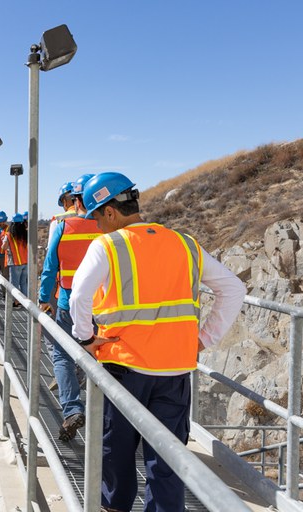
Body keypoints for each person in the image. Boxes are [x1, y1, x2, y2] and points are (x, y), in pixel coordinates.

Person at [69, 172, 246, 512]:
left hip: (124, 368)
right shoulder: (185, 243)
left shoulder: (107, 245)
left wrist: (85, 338)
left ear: (110, 212)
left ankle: (114, 507)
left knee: (115, 452)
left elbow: (79, 297)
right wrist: (203, 339)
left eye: (95, 217)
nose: (96, 225)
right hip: (175, 371)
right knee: (168, 459)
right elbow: (234, 289)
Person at [38, 175, 102, 441]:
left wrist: (44, 298)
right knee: (100, 357)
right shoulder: (108, 226)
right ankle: (105, 416)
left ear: (75, 200)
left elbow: (50, 265)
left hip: (68, 302)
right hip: (103, 304)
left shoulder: (63, 225)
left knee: (62, 356)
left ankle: (72, 409)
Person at [1, 213, 28, 303]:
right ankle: (25, 302)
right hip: (25, 262)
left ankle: (16, 301)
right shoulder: (26, 234)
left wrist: (3, 242)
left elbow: (4, 247)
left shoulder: (9, 235)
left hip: (15, 263)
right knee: (23, 284)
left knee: (14, 284)